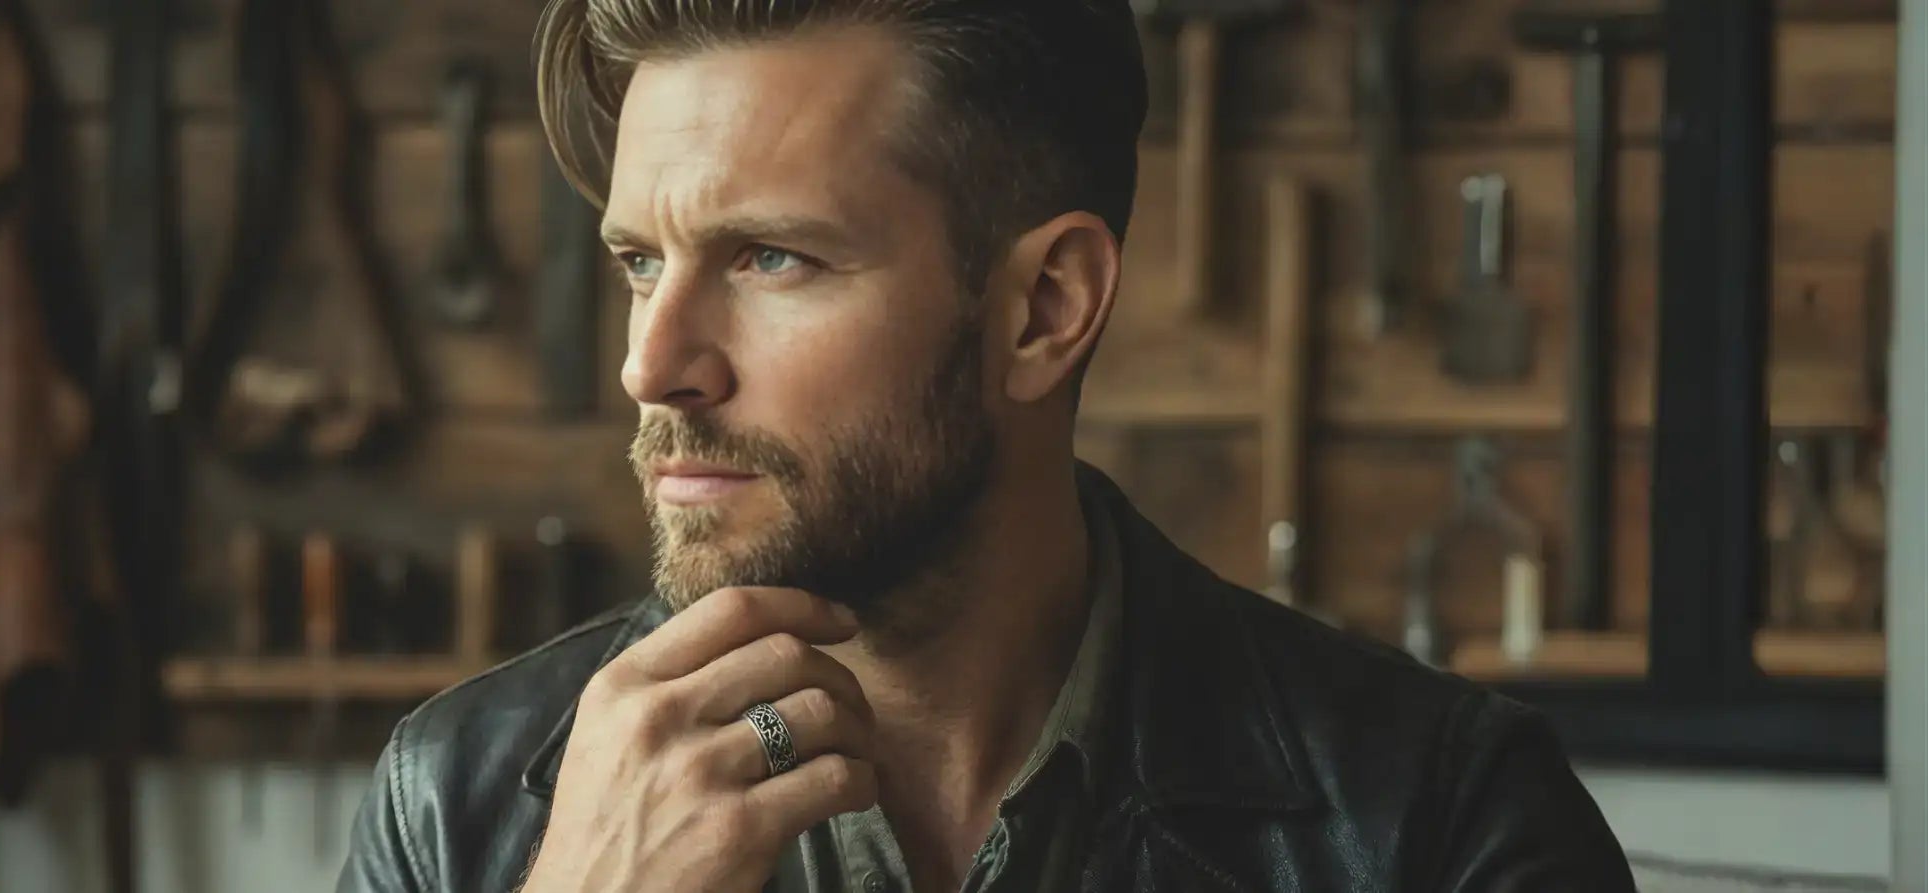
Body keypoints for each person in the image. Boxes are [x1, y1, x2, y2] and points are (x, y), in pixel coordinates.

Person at [339, 1, 1634, 890]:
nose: (653, 361)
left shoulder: (1434, 821)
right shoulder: (458, 807)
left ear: (1044, 309)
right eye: (640, 262)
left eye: (770, 256)